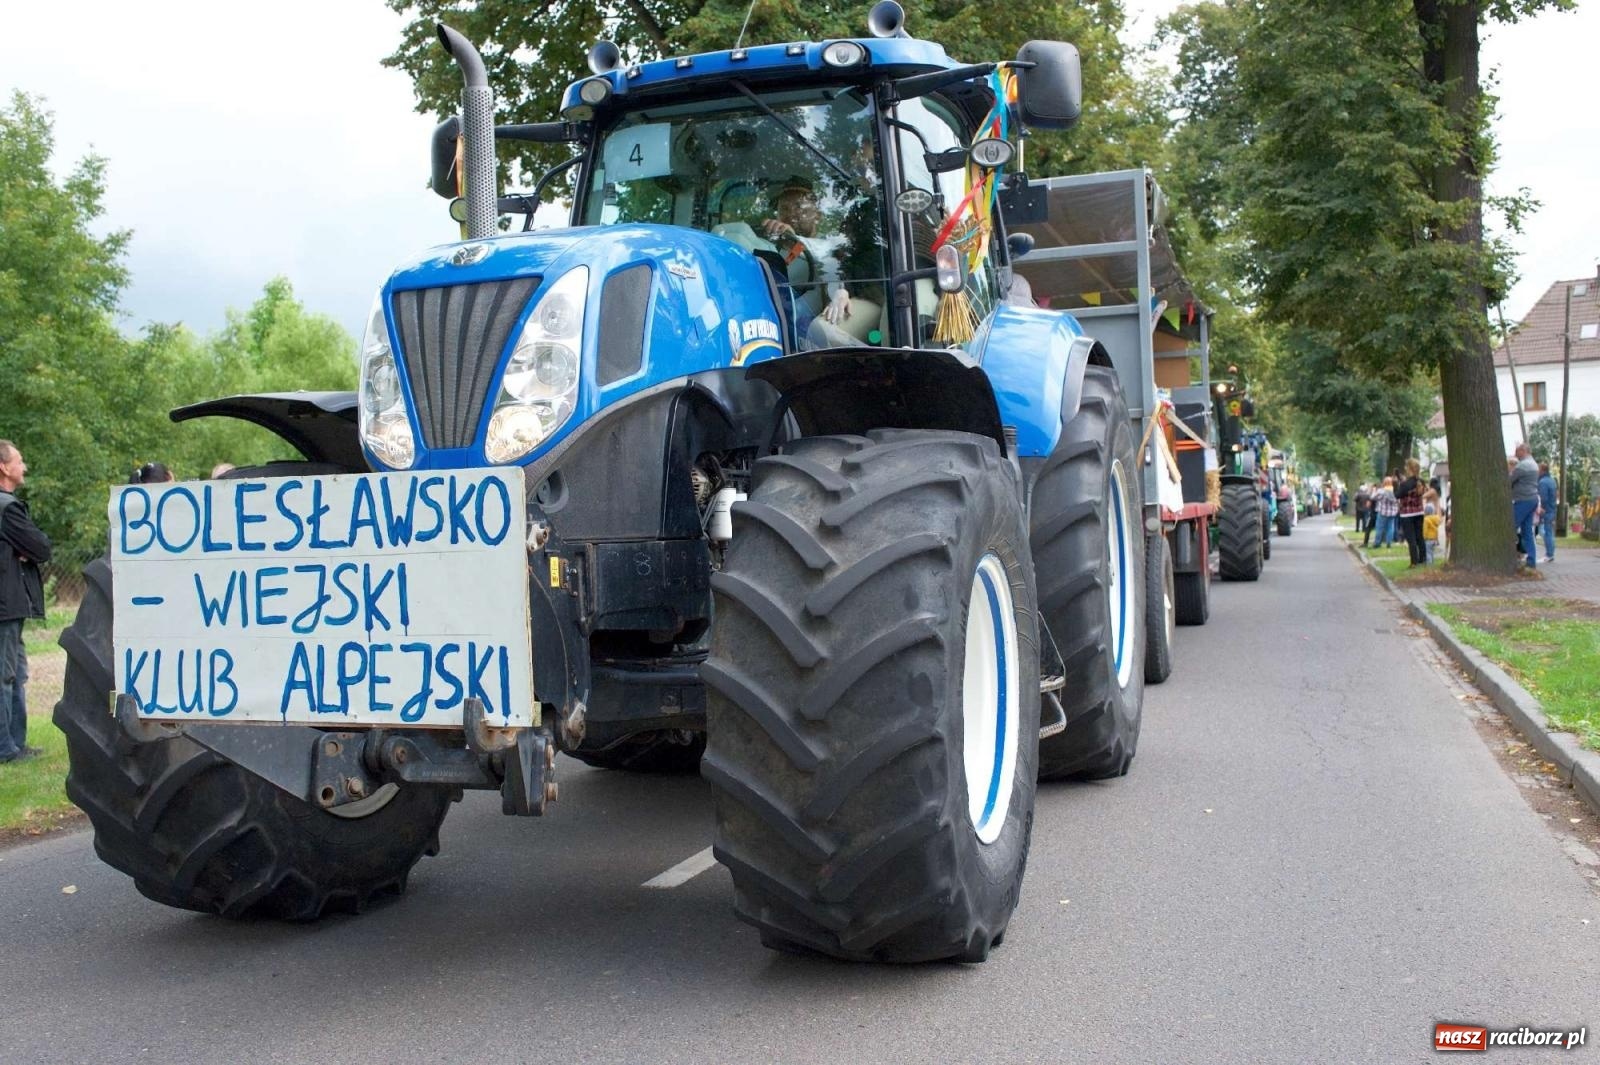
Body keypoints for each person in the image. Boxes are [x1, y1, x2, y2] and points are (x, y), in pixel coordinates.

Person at [0, 441, 51, 764]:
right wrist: (24, 552)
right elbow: (42, 547)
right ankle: (6, 747)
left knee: (16, 672)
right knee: (6, 675)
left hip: (8, 605)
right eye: (19, 460)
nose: (24, 467)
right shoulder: (7, 508)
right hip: (6, 605)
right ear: (4, 467)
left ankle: (16, 744)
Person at [1509, 443, 1540, 569]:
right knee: (1527, 531)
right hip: (1532, 499)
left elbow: (1510, 480)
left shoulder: (1522, 466)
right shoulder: (1534, 464)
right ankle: (1531, 560)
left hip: (1523, 500)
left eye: (1517, 451)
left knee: (1510, 527)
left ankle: (1511, 556)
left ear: (1523, 451)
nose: (1515, 453)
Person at [1394, 458, 1427, 566]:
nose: (1405, 468)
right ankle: (1423, 558)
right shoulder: (1421, 482)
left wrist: (1396, 485)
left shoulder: (1405, 484)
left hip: (1407, 513)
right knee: (1419, 536)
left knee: (1411, 538)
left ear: (1409, 468)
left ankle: (1414, 561)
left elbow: (1397, 495)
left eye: (1406, 467)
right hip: (1419, 512)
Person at [1537, 461, 1558, 563]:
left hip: (1546, 510)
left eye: (1538, 469)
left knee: (1545, 532)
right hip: (1552, 509)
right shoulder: (1552, 480)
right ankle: (1550, 553)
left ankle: (1549, 554)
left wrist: (1541, 508)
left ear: (1541, 470)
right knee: (1548, 531)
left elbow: (1543, 497)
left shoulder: (1542, 482)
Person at [1372, 476, 1398, 548]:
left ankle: (1377, 543)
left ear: (1384, 483)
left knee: (1379, 528)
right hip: (1392, 512)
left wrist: (1374, 491)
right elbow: (1397, 501)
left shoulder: (1381, 491)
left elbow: (1373, 497)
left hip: (1382, 512)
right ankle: (1389, 542)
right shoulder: (1395, 491)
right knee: (1390, 527)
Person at [1422, 489, 1442, 565]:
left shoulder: (1426, 519)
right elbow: (1439, 522)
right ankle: (1432, 563)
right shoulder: (1436, 518)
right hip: (1434, 538)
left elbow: (1425, 529)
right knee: (1432, 552)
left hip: (1428, 539)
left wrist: (1424, 536)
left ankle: (1429, 564)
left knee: (1428, 552)